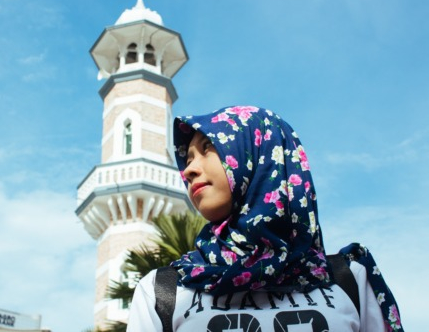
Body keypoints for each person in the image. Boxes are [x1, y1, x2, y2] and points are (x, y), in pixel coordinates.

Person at [127, 106, 403, 332]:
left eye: (208, 147)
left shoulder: (348, 280)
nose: (188, 169)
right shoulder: (162, 291)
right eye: (187, 158)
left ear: (258, 153)